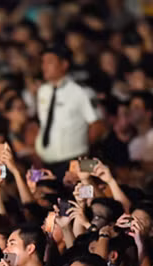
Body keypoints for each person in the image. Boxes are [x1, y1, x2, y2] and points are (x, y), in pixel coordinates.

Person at [35, 45, 103, 179]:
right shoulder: (43, 91)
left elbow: (97, 125)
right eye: (43, 62)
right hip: (46, 162)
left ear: (64, 64)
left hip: (74, 162)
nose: (44, 66)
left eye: (50, 62)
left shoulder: (81, 91)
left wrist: (81, 151)